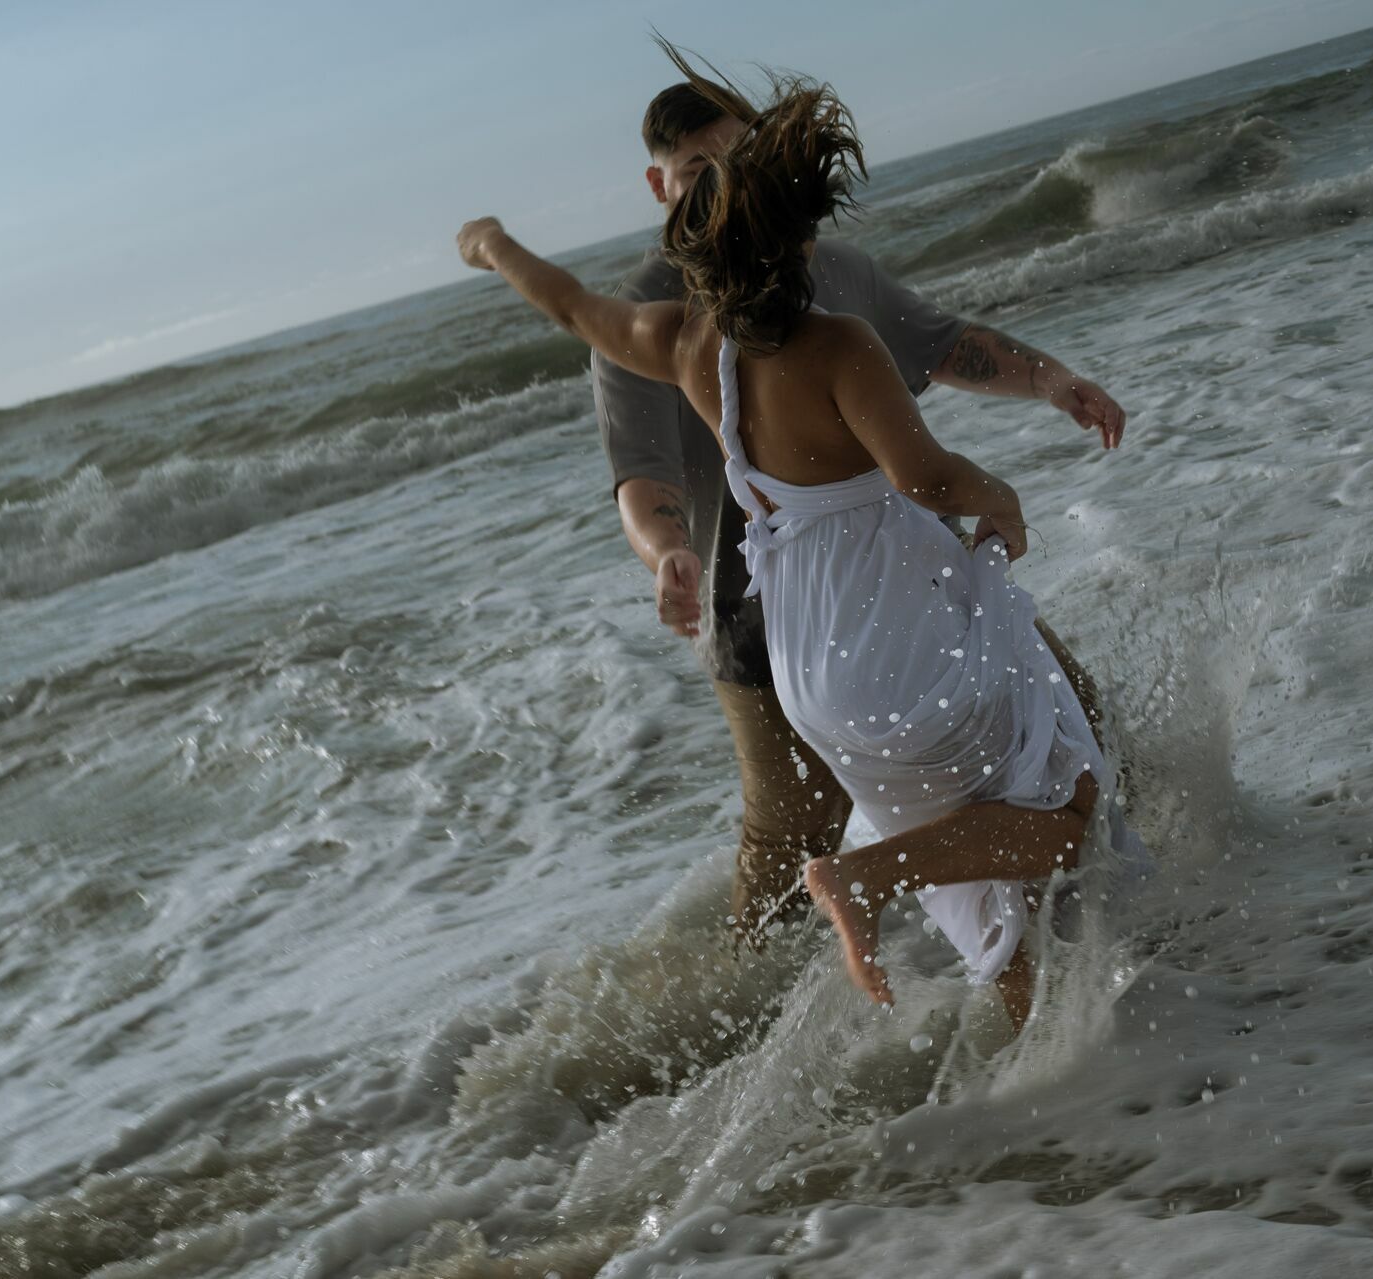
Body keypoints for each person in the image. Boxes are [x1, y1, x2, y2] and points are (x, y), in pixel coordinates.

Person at [457, 52, 1143, 1028]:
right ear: (666, 188)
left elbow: (943, 343)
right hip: (802, 624)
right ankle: (755, 1014)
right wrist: (668, 553)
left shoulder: (689, 333)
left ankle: (1043, 1019)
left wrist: (1050, 380)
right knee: (830, 839)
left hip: (836, 625)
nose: (733, 182)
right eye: (706, 169)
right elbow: (657, 483)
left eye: (741, 160)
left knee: (1038, 760)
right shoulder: (811, 337)